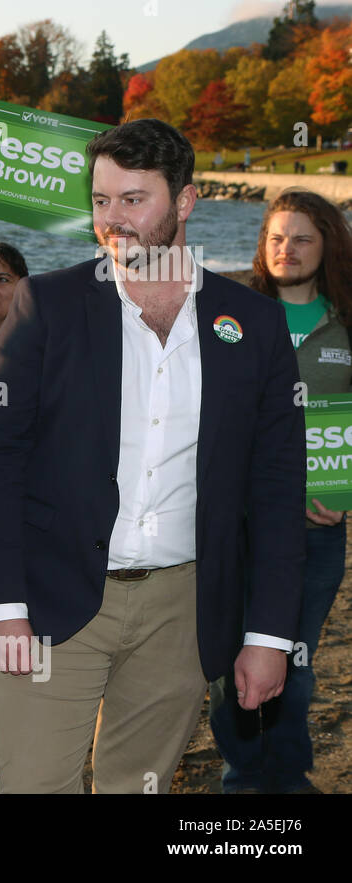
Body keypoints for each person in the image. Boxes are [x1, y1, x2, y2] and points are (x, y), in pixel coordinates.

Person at [0, 118, 305, 793]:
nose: (112, 221)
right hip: (52, 598)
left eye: (133, 200)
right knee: (32, 783)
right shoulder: (47, 305)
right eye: (100, 201)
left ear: (184, 201)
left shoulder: (254, 324)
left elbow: (275, 490)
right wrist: (1, 603)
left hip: (183, 607)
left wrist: (268, 635)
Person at [209, 188, 352, 793]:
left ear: (328, 247)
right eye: (276, 237)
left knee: (292, 664)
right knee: (227, 665)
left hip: (316, 529)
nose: (286, 249)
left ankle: (286, 778)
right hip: (235, 526)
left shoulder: (345, 321)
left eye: (302, 238)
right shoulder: (227, 315)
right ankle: (244, 778)